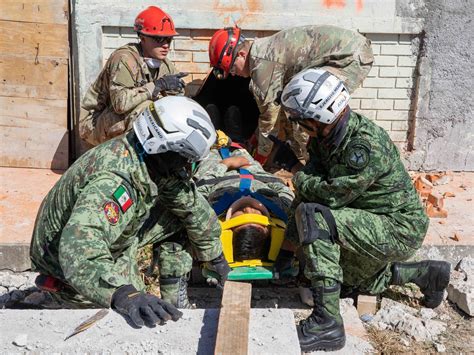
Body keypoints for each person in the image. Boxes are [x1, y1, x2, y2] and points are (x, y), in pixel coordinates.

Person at [273, 68, 450, 352]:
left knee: (318, 219)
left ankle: (327, 324)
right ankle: (427, 274)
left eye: (300, 121)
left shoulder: (363, 146)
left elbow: (329, 196)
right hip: (369, 220)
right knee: (345, 282)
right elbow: (308, 193)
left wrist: (295, 169)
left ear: (318, 117)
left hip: (398, 228)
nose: (300, 127)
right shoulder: (324, 139)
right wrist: (285, 255)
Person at [30, 96, 230, 328]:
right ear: (165, 147)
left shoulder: (149, 156)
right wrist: (124, 294)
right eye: (186, 159)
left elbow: (191, 205)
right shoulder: (115, 182)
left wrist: (215, 257)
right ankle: (70, 294)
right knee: (131, 320)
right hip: (65, 265)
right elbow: (78, 248)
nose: (187, 166)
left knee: (181, 217)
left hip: (106, 238)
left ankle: (174, 297)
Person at [208, 25, 374, 167]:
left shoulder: (261, 66)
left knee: (312, 113)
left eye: (231, 68)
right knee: (295, 110)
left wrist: (259, 158)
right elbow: (275, 110)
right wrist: (255, 138)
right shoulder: (261, 53)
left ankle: (324, 167)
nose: (234, 74)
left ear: (242, 55)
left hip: (349, 58)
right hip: (347, 50)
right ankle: (305, 160)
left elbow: (269, 120)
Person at [80, 6, 188, 146]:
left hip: (118, 118)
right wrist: (157, 86)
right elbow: (120, 104)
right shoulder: (124, 59)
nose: (166, 45)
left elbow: (176, 103)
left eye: (169, 40)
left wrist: (177, 92)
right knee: (147, 110)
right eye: (160, 39)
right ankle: (133, 162)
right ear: (143, 38)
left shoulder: (165, 65)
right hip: (94, 123)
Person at [193, 136, 294, 263]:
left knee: (209, 144)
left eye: (241, 213)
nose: (248, 208)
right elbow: (279, 185)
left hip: (213, 166)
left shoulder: (210, 210)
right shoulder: (280, 208)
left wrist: (225, 165)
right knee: (238, 148)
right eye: (257, 214)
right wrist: (250, 167)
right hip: (250, 167)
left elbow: (199, 187)